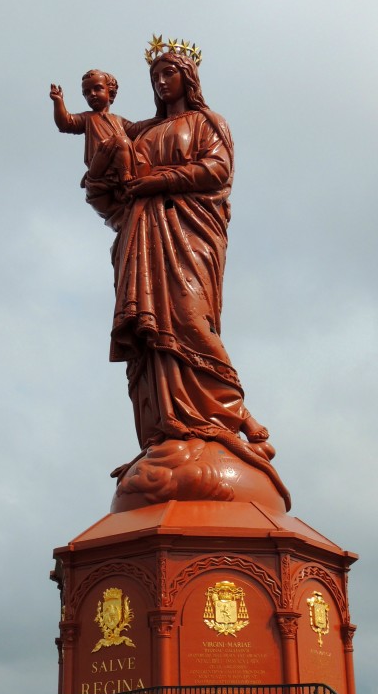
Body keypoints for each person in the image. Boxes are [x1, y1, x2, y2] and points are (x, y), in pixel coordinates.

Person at [108, 46, 286, 498]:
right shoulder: (141, 131)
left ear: (188, 77)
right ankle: (167, 426)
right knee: (151, 333)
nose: (161, 82)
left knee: (188, 317)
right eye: (155, 76)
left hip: (189, 234)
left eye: (169, 73)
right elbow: (110, 180)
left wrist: (157, 181)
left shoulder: (208, 123)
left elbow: (217, 170)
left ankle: (233, 415)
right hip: (143, 237)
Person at [49, 70, 150, 228]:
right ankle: (125, 177)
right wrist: (58, 102)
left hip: (119, 163)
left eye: (97, 89)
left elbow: (137, 129)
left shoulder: (118, 120)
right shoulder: (88, 118)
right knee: (122, 142)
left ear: (110, 92)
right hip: (100, 165)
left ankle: (125, 176)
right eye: (87, 93)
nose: (92, 94)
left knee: (124, 143)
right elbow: (65, 123)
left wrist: (159, 119)